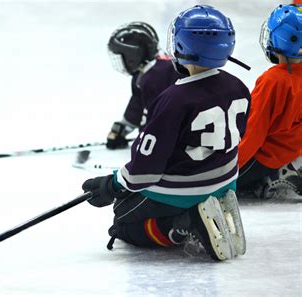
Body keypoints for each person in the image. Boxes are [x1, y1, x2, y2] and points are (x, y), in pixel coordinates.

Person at [82, 5, 251, 261]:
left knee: (123, 219)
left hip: (186, 189)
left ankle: (185, 223)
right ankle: (206, 206)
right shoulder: (238, 86)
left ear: (182, 45)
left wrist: (113, 184)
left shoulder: (174, 99)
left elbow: (144, 171)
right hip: (227, 180)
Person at [237, 4, 302, 200]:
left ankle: (271, 178)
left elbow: (254, 131)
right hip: (293, 149)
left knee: (224, 182)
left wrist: (229, 168)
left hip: (266, 159)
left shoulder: (273, 80)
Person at [105, 22, 186, 150]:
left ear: (132, 56)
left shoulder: (156, 77)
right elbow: (139, 101)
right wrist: (124, 127)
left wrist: (142, 145)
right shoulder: (147, 70)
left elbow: (154, 122)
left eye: (122, 56)